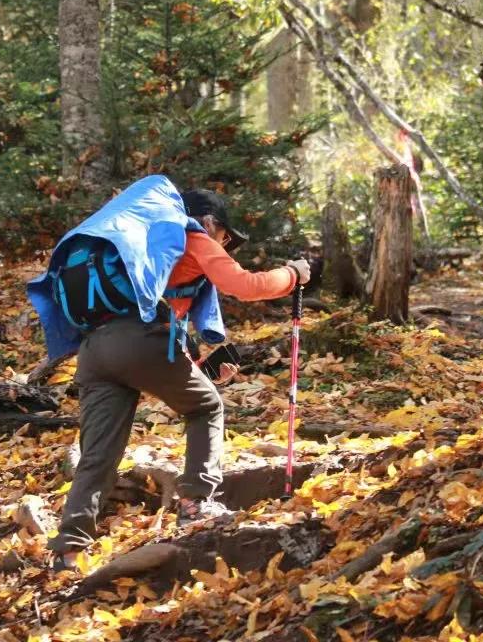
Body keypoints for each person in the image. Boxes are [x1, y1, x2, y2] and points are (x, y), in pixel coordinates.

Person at [26, 175, 311, 572]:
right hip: (137, 342)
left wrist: (199, 369)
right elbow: (247, 285)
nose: (223, 246)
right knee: (206, 408)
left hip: (93, 351)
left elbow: (157, 344)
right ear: (208, 222)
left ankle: (67, 550)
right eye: (226, 237)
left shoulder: (142, 245)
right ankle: (196, 503)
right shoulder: (191, 237)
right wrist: (293, 274)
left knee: (97, 455)